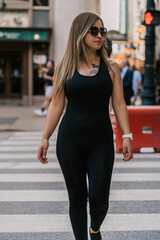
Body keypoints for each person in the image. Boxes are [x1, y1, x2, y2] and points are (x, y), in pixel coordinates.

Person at [37, 12, 133, 240]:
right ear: (80, 33)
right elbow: (56, 105)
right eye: (94, 31)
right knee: (77, 198)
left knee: (100, 199)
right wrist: (45, 138)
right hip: (70, 141)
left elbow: (119, 103)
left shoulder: (111, 68)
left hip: (101, 141)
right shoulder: (64, 67)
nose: (100, 35)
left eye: (102, 31)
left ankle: (95, 229)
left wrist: (127, 135)